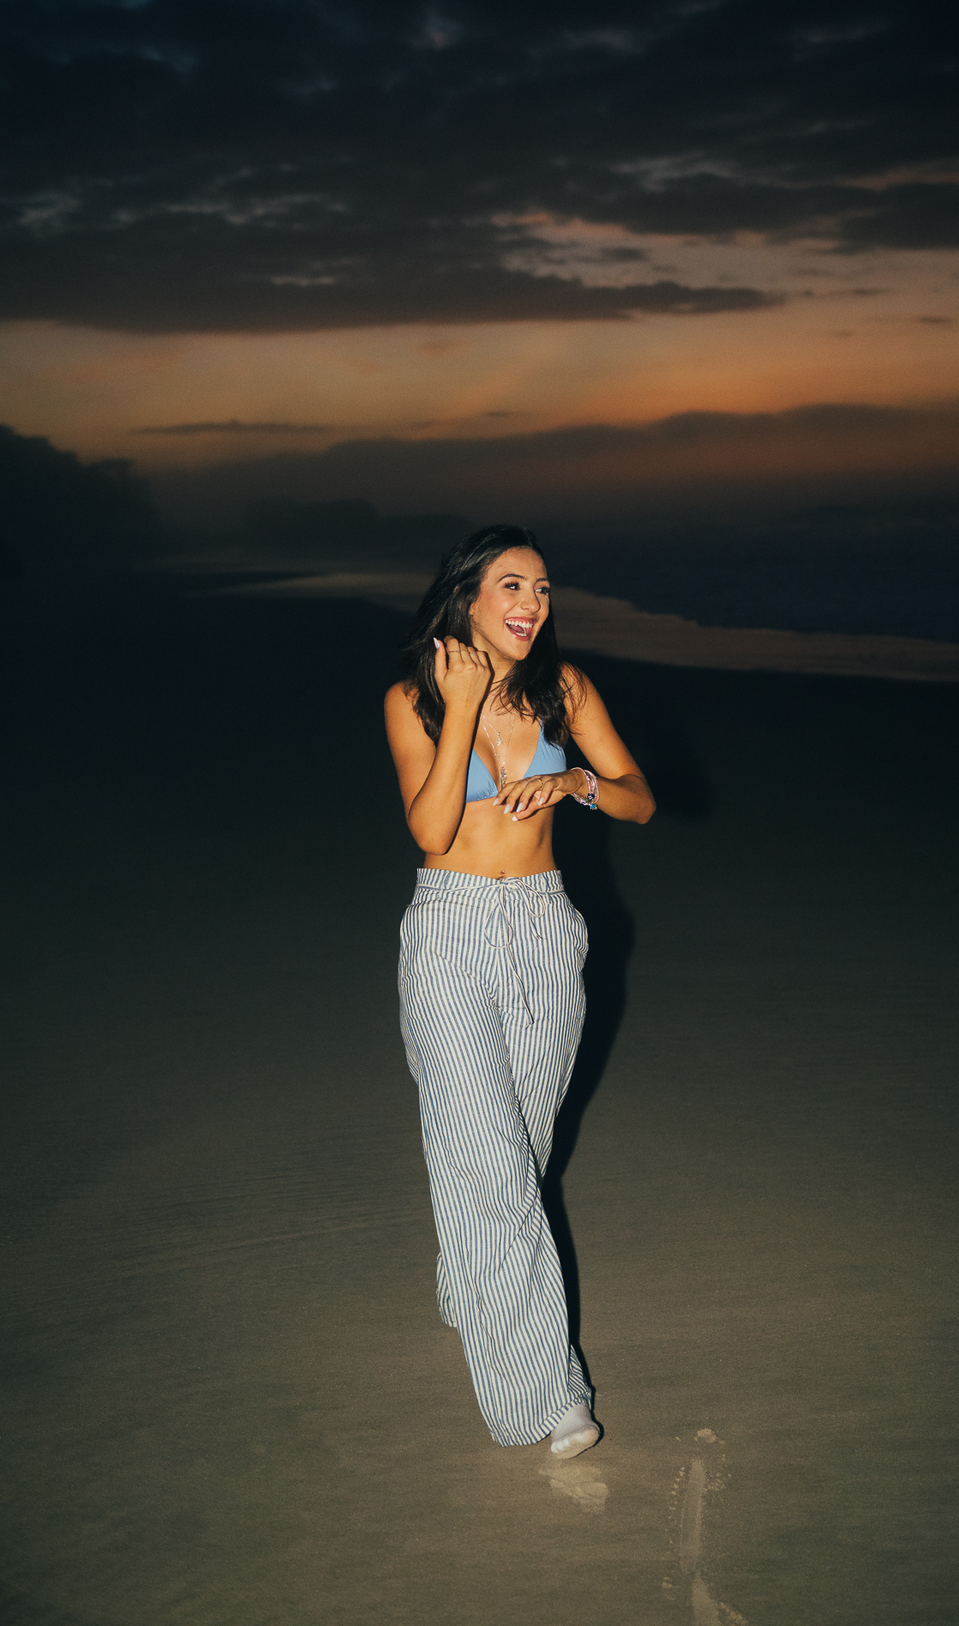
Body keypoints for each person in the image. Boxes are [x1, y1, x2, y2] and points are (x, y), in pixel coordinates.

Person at [384, 524, 655, 1459]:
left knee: (518, 1153)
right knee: (492, 1165)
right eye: (512, 585)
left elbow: (637, 796)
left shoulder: (563, 688)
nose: (532, 604)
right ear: (467, 594)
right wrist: (461, 705)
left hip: (544, 931)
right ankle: (551, 1394)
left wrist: (577, 779)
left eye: (542, 588)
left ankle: (470, 1281)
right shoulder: (413, 698)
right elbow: (429, 829)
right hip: (450, 932)